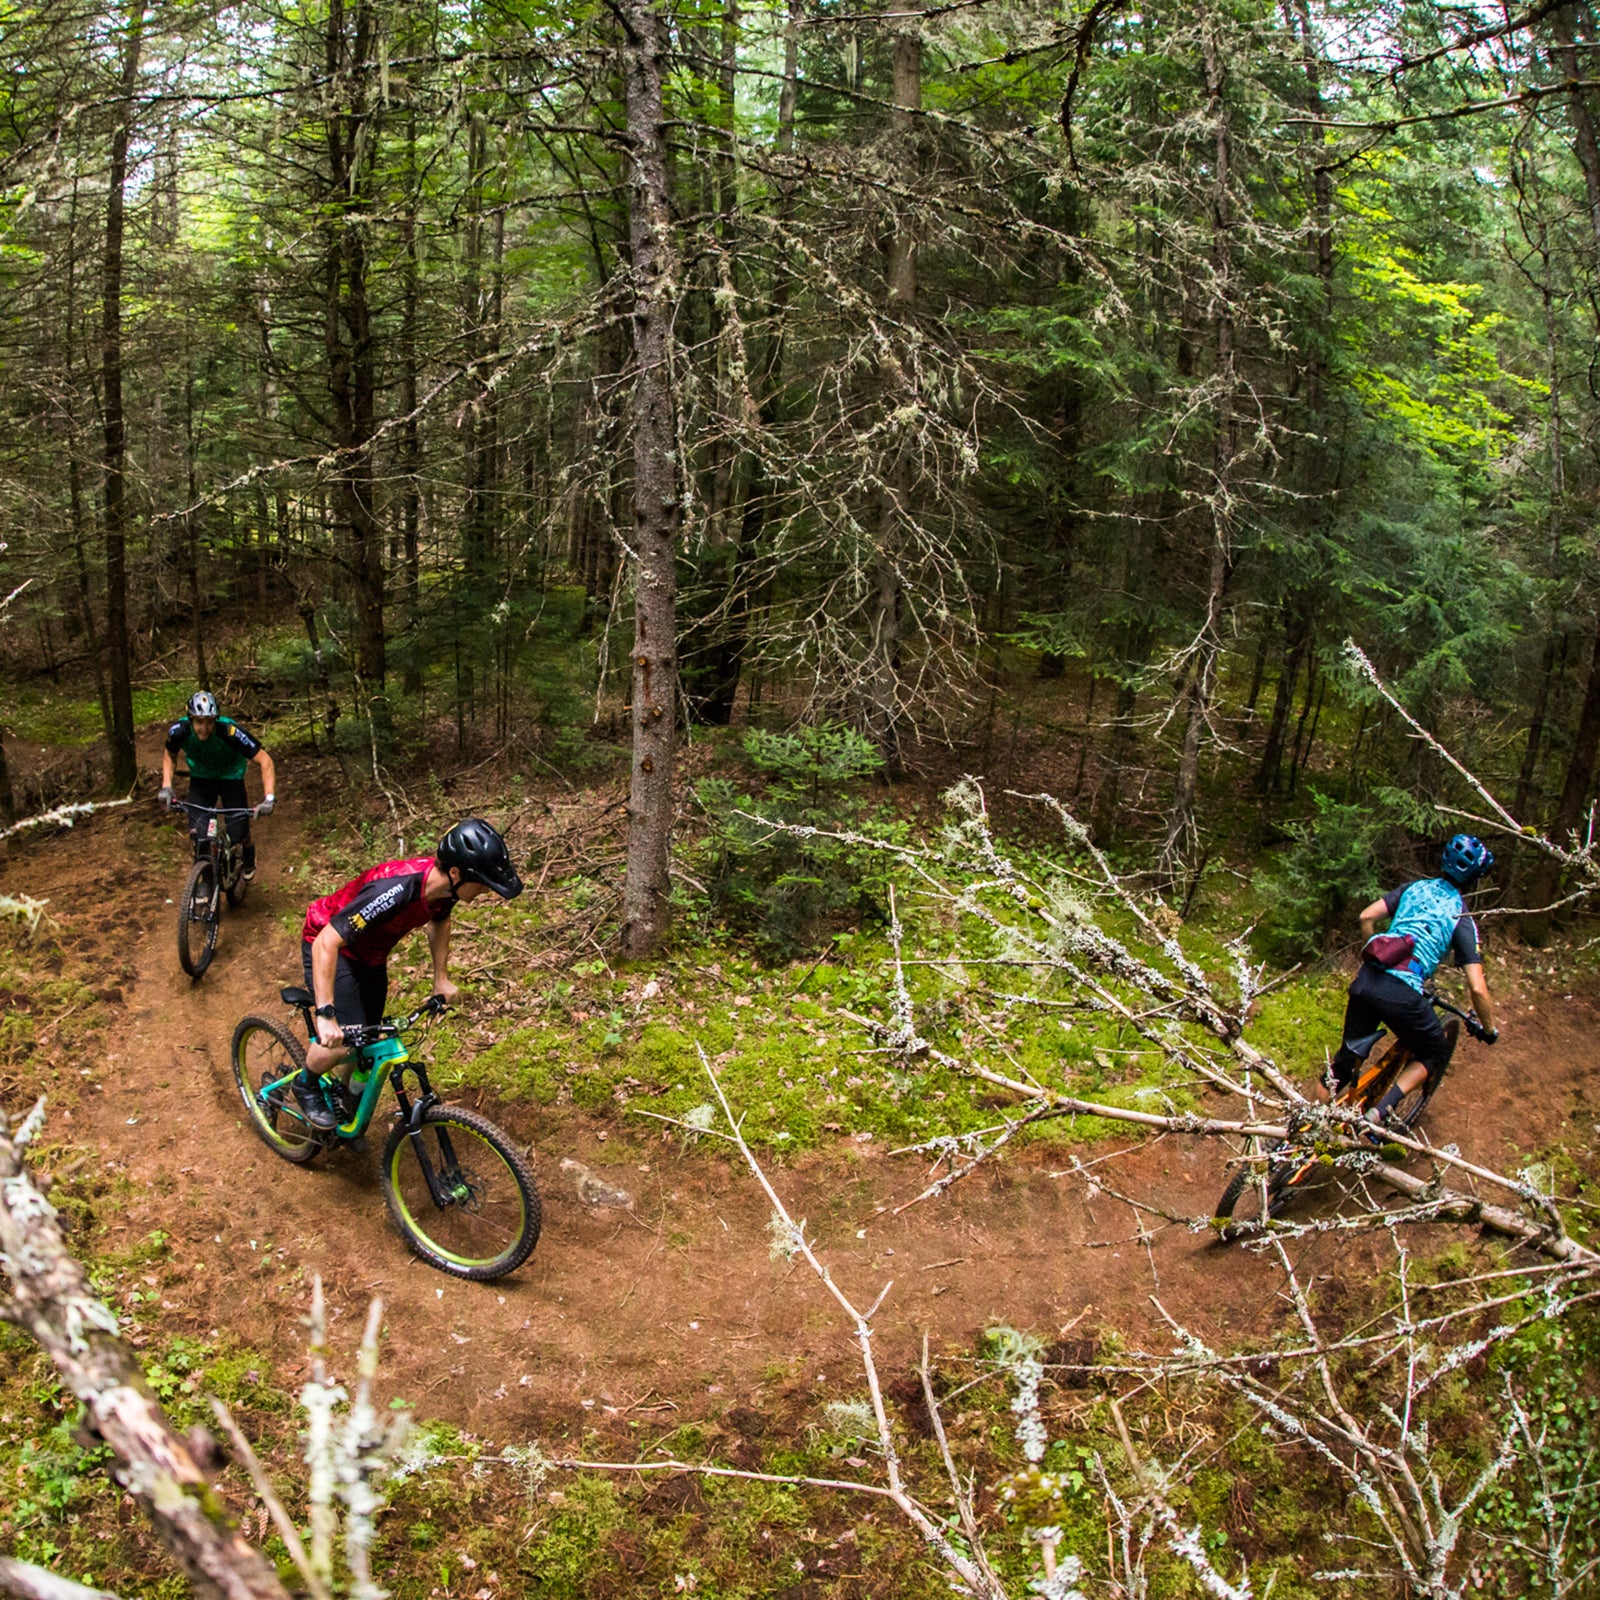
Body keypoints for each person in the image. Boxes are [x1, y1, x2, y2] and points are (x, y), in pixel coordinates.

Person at [291, 818, 523, 1130]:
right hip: (329, 943)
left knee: (369, 1038)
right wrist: (326, 1014)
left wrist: (440, 978)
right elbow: (327, 942)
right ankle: (306, 1084)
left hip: (370, 955)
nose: (485, 890)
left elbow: (439, 922)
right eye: (481, 882)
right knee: (343, 1037)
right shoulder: (395, 889)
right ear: (456, 874)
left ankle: (346, 1102)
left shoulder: (445, 891)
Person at [1326, 833, 1500, 1124]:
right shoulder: (1460, 916)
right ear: (1474, 878)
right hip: (1401, 994)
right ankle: (1377, 1117)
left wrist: (1373, 953)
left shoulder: (1414, 888)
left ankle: (1301, 1131)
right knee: (1433, 1051)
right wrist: (1489, 1029)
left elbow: (1366, 917)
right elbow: (1478, 989)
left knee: (1342, 1067)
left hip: (1367, 979)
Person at [159, 691, 276, 880]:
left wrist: (269, 798)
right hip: (201, 780)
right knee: (199, 837)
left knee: (238, 833)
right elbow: (169, 756)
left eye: (209, 722)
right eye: (199, 722)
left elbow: (265, 760)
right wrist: (166, 787)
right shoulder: (179, 731)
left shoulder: (229, 731)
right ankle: (204, 882)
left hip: (231, 779)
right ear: (191, 720)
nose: (204, 728)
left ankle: (247, 851)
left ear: (216, 720)